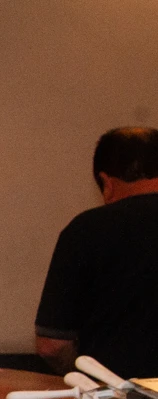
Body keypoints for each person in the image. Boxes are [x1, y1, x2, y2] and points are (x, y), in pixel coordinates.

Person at [35, 126, 158, 379]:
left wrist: (90, 378)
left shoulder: (86, 230)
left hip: (115, 396)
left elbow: (52, 344)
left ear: (106, 183)